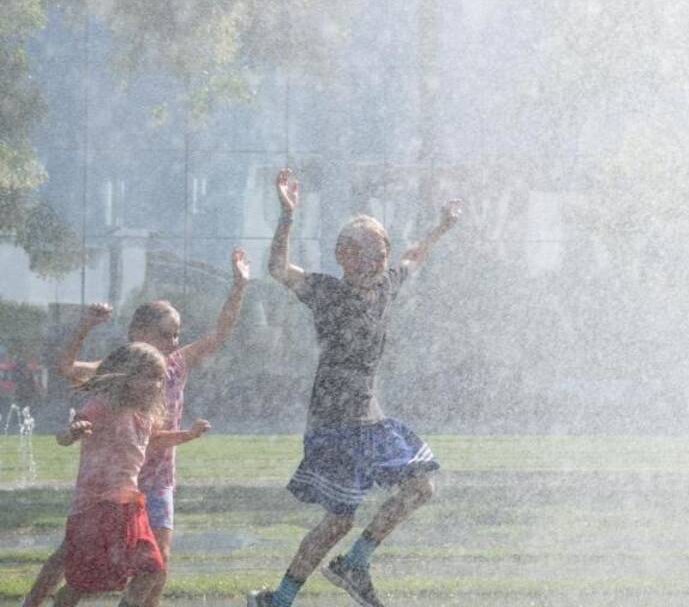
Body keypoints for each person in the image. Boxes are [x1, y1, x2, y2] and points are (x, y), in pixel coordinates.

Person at [248, 169, 462, 607]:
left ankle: (355, 563)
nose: (380, 257)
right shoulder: (326, 292)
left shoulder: (386, 288)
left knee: (421, 486)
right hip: (335, 420)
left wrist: (442, 226)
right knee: (337, 520)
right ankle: (279, 600)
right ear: (344, 255)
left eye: (383, 248)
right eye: (369, 249)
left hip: (371, 416)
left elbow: (415, 256)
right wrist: (287, 216)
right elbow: (276, 268)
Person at [22, 248, 248, 607]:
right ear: (137, 333)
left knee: (156, 562)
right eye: (165, 335)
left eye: (176, 335)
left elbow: (218, 335)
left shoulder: (175, 365)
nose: (173, 343)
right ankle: (31, 602)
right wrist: (86, 324)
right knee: (72, 556)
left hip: (156, 481)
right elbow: (66, 366)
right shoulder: (119, 371)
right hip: (110, 484)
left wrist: (238, 286)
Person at [50, 343, 200, 607]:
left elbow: (153, 440)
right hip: (95, 507)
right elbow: (63, 436)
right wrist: (74, 431)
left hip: (130, 507)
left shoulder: (143, 417)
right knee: (81, 582)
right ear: (126, 375)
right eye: (147, 376)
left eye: (158, 378)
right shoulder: (102, 407)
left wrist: (187, 436)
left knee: (152, 569)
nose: (155, 384)